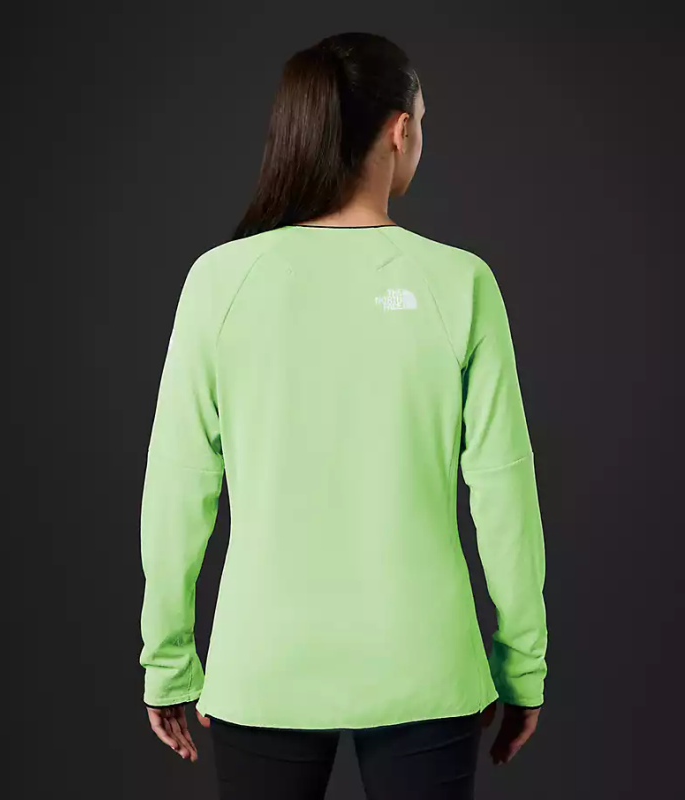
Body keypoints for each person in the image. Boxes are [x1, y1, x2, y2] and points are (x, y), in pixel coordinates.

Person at [139, 31, 548, 799]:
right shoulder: (459, 283)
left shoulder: (218, 281)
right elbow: (503, 493)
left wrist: (167, 660)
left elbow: (177, 487)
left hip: (264, 664)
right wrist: (522, 665)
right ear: (399, 130)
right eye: (422, 121)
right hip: (425, 664)